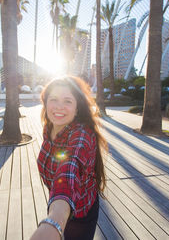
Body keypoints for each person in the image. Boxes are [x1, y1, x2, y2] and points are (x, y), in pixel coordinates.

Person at [31, 76, 108, 240]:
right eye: (54, 99)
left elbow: (69, 168)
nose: (59, 107)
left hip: (80, 213)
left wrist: (54, 221)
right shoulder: (50, 127)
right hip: (57, 202)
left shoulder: (81, 135)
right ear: (45, 103)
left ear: (77, 108)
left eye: (67, 101)